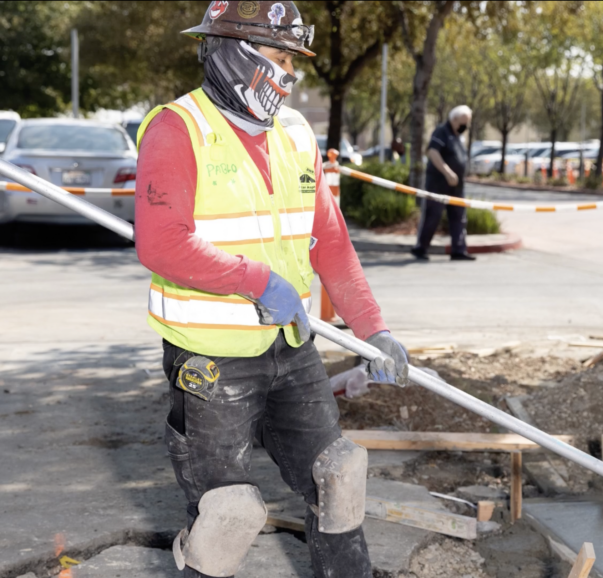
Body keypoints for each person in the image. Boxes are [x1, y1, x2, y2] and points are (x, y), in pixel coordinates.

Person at [133, 3, 408, 576]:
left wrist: (372, 329)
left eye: (291, 59)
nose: (288, 72)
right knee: (226, 517)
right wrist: (255, 280)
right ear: (236, 52)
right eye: (279, 57)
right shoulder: (178, 128)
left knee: (338, 476)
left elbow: (329, 243)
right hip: (210, 358)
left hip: (291, 346)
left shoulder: (294, 132)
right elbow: (161, 243)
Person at [411, 105, 475, 261]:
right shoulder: (442, 131)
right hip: (438, 184)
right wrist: (447, 172)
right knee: (433, 216)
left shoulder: (459, 137)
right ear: (453, 119)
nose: (464, 127)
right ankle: (421, 247)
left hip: (457, 187)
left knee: (459, 217)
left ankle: (458, 250)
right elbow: (433, 152)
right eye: (462, 123)